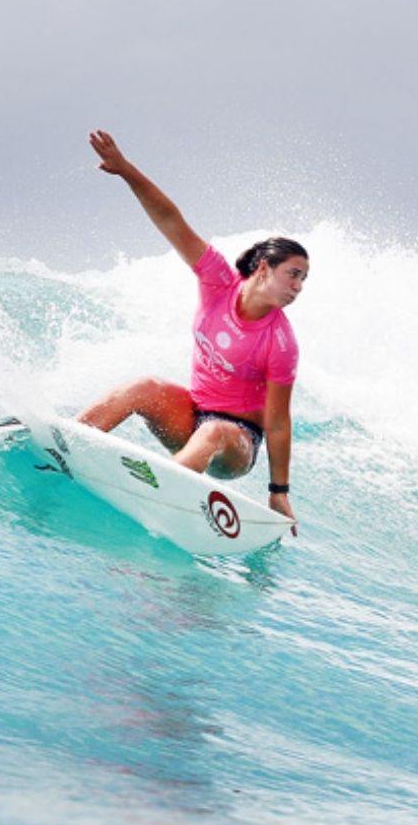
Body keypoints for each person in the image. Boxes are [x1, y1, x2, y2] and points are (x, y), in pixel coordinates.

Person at [77, 129, 306, 534]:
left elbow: (277, 423)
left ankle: (155, 497)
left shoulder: (280, 342)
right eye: (293, 274)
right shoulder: (218, 281)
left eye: (303, 279)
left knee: (215, 431)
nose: (298, 286)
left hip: (238, 442)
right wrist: (125, 170)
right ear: (263, 268)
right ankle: (67, 445)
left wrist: (278, 491)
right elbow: (171, 221)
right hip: (192, 417)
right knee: (144, 386)